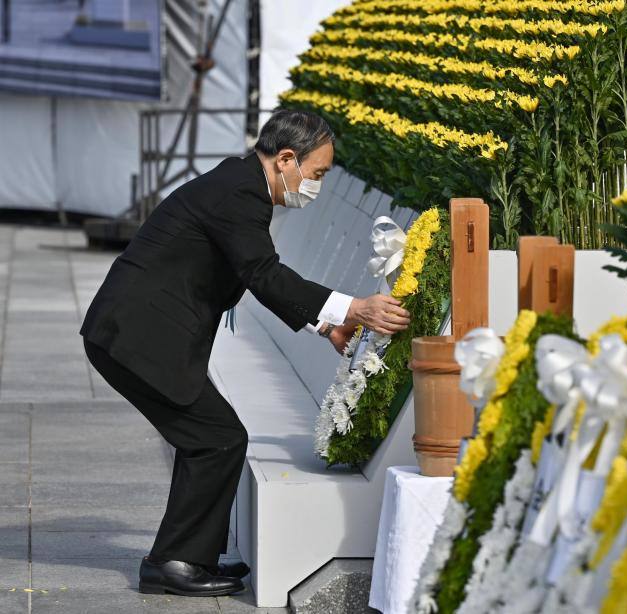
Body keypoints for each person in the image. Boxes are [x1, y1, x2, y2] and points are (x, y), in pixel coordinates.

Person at [79, 109, 411, 597]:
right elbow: (264, 273)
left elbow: (254, 271)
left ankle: (184, 557)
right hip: (136, 336)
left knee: (214, 437)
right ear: (286, 159)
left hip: (137, 331)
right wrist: (353, 308)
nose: (315, 186)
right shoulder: (239, 192)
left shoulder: (240, 184)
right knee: (217, 438)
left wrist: (325, 325)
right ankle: (176, 561)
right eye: (316, 174)